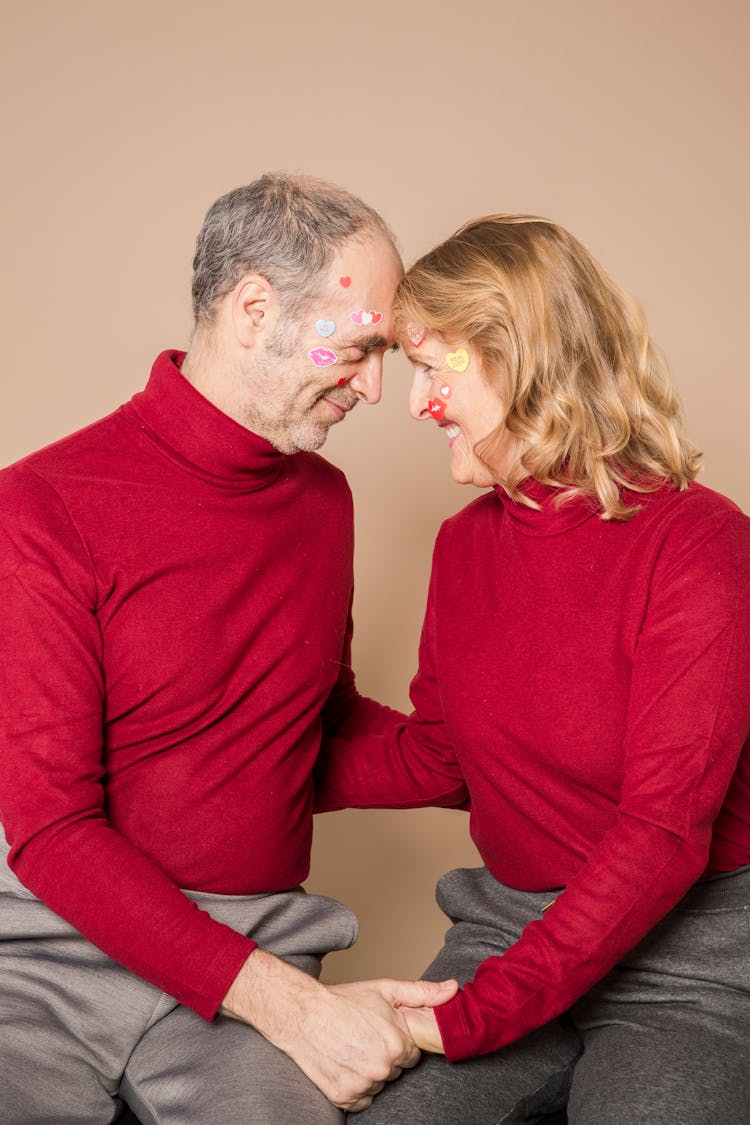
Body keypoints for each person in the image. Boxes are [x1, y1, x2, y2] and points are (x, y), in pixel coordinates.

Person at [0, 173, 458, 1125]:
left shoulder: (322, 502)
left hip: (257, 941)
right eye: (363, 344)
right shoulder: (41, 508)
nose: (377, 387)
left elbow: (306, 727)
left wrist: (494, 759)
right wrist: (292, 1005)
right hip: (46, 955)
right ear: (255, 309)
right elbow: (49, 829)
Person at [315, 214, 750, 1123]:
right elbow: (441, 755)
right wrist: (236, 756)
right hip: (510, 929)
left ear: (523, 360)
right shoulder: (465, 545)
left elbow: (663, 836)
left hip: (693, 954)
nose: (413, 401)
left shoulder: (702, 545)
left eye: (435, 370)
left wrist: (479, 1016)